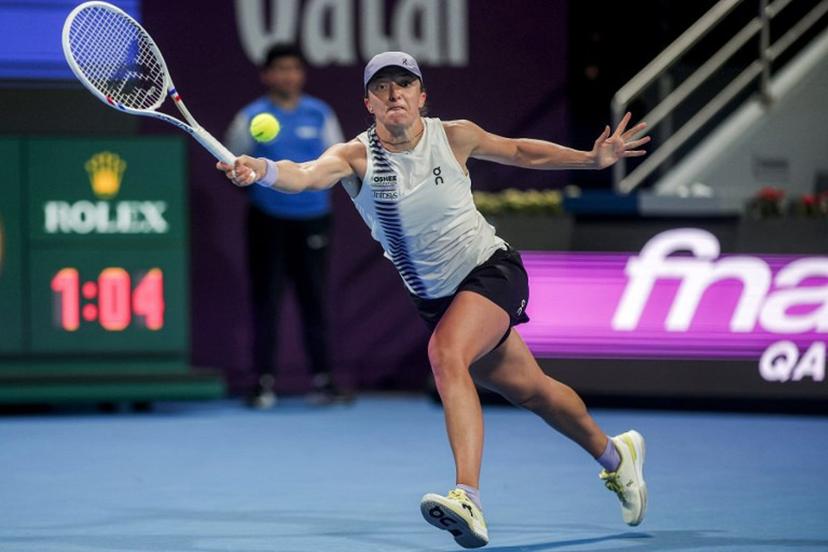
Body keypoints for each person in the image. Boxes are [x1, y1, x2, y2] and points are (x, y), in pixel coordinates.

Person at [219, 51, 651, 548]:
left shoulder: (454, 135)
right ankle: (617, 458)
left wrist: (591, 159)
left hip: (491, 270)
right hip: (438, 301)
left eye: (404, 84)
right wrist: (262, 170)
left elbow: (519, 151)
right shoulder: (354, 157)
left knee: (445, 355)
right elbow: (304, 174)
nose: (394, 94)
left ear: (422, 97)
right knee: (534, 391)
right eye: (382, 87)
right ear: (369, 103)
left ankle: (467, 495)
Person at [224, 43, 347, 408]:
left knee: (315, 300)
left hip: (313, 219)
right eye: (279, 69)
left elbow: (337, 163)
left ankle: (323, 381)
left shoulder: (320, 114)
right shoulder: (250, 117)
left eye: (294, 68)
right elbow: (236, 168)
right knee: (267, 301)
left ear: (302, 74)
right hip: (267, 221)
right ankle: (263, 384)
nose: (287, 75)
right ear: (266, 75)